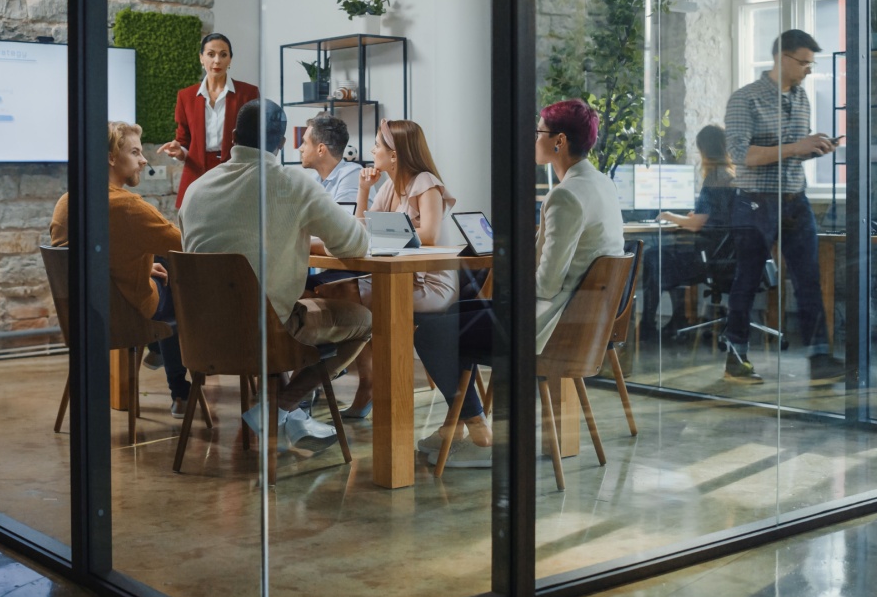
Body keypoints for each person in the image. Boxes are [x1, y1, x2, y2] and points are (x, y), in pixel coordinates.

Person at [414, 98, 625, 467]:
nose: (533, 140)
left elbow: (544, 284)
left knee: (430, 331)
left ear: (558, 141)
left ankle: (474, 425)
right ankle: (465, 424)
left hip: (549, 326)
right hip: (579, 318)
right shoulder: (601, 185)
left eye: (538, 133)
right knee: (455, 311)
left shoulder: (566, 197)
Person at [179, 99, 373, 452]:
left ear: (234, 136)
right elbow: (353, 243)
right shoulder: (292, 184)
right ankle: (281, 407)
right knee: (363, 320)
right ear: (282, 143)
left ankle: (293, 419)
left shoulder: (195, 190)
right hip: (266, 336)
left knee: (273, 305)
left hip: (201, 338)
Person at [723, 29, 844, 383]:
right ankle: (736, 358)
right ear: (782, 58)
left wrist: (813, 149)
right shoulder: (746, 99)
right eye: (804, 63)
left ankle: (820, 358)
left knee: (809, 280)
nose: (809, 70)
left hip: (795, 200)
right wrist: (795, 147)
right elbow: (741, 155)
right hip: (755, 203)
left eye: (811, 64)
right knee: (747, 280)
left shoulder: (802, 98)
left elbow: (789, 155)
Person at [50, 121, 191, 417]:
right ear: (111, 157)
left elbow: (98, 257)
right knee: (180, 277)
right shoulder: (128, 207)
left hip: (81, 318)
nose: (143, 160)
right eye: (135, 152)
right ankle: (180, 388)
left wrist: (141, 264)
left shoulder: (66, 202)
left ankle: (160, 354)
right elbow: (185, 243)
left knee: (158, 264)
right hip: (124, 318)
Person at [342, 118, 457, 419]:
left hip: (430, 285)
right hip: (402, 279)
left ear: (394, 155)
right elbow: (360, 231)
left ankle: (371, 381)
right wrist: (364, 190)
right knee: (337, 292)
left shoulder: (426, 183)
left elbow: (430, 234)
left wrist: (388, 231)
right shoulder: (390, 189)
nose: (372, 149)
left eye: (378, 145)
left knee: (346, 295)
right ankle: (369, 378)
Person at [639, 124, 737, 341]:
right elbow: (716, 218)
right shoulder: (730, 175)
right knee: (669, 254)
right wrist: (698, 216)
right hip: (728, 257)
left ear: (704, 150)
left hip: (709, 260)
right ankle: (678, 319)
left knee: (653, 257)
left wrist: (668, 215)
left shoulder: (714, 178)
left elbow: (696, 225)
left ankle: (648, 326)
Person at [157, 33, 259, 208]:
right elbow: (184, 141)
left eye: (223, 54)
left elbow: (256, 139)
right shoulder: (186, 96)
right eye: (211, 54)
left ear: (230, 60)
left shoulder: (249, 93)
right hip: (197, 174)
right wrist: (178, 151)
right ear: (201, 58)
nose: (217, 60)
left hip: (236, 174)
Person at [298, 112, 363, 205]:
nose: (300, 148)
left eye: (305, 143)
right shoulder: (314, 179)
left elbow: (341, 218)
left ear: (321, 149)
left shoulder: (353, 174)